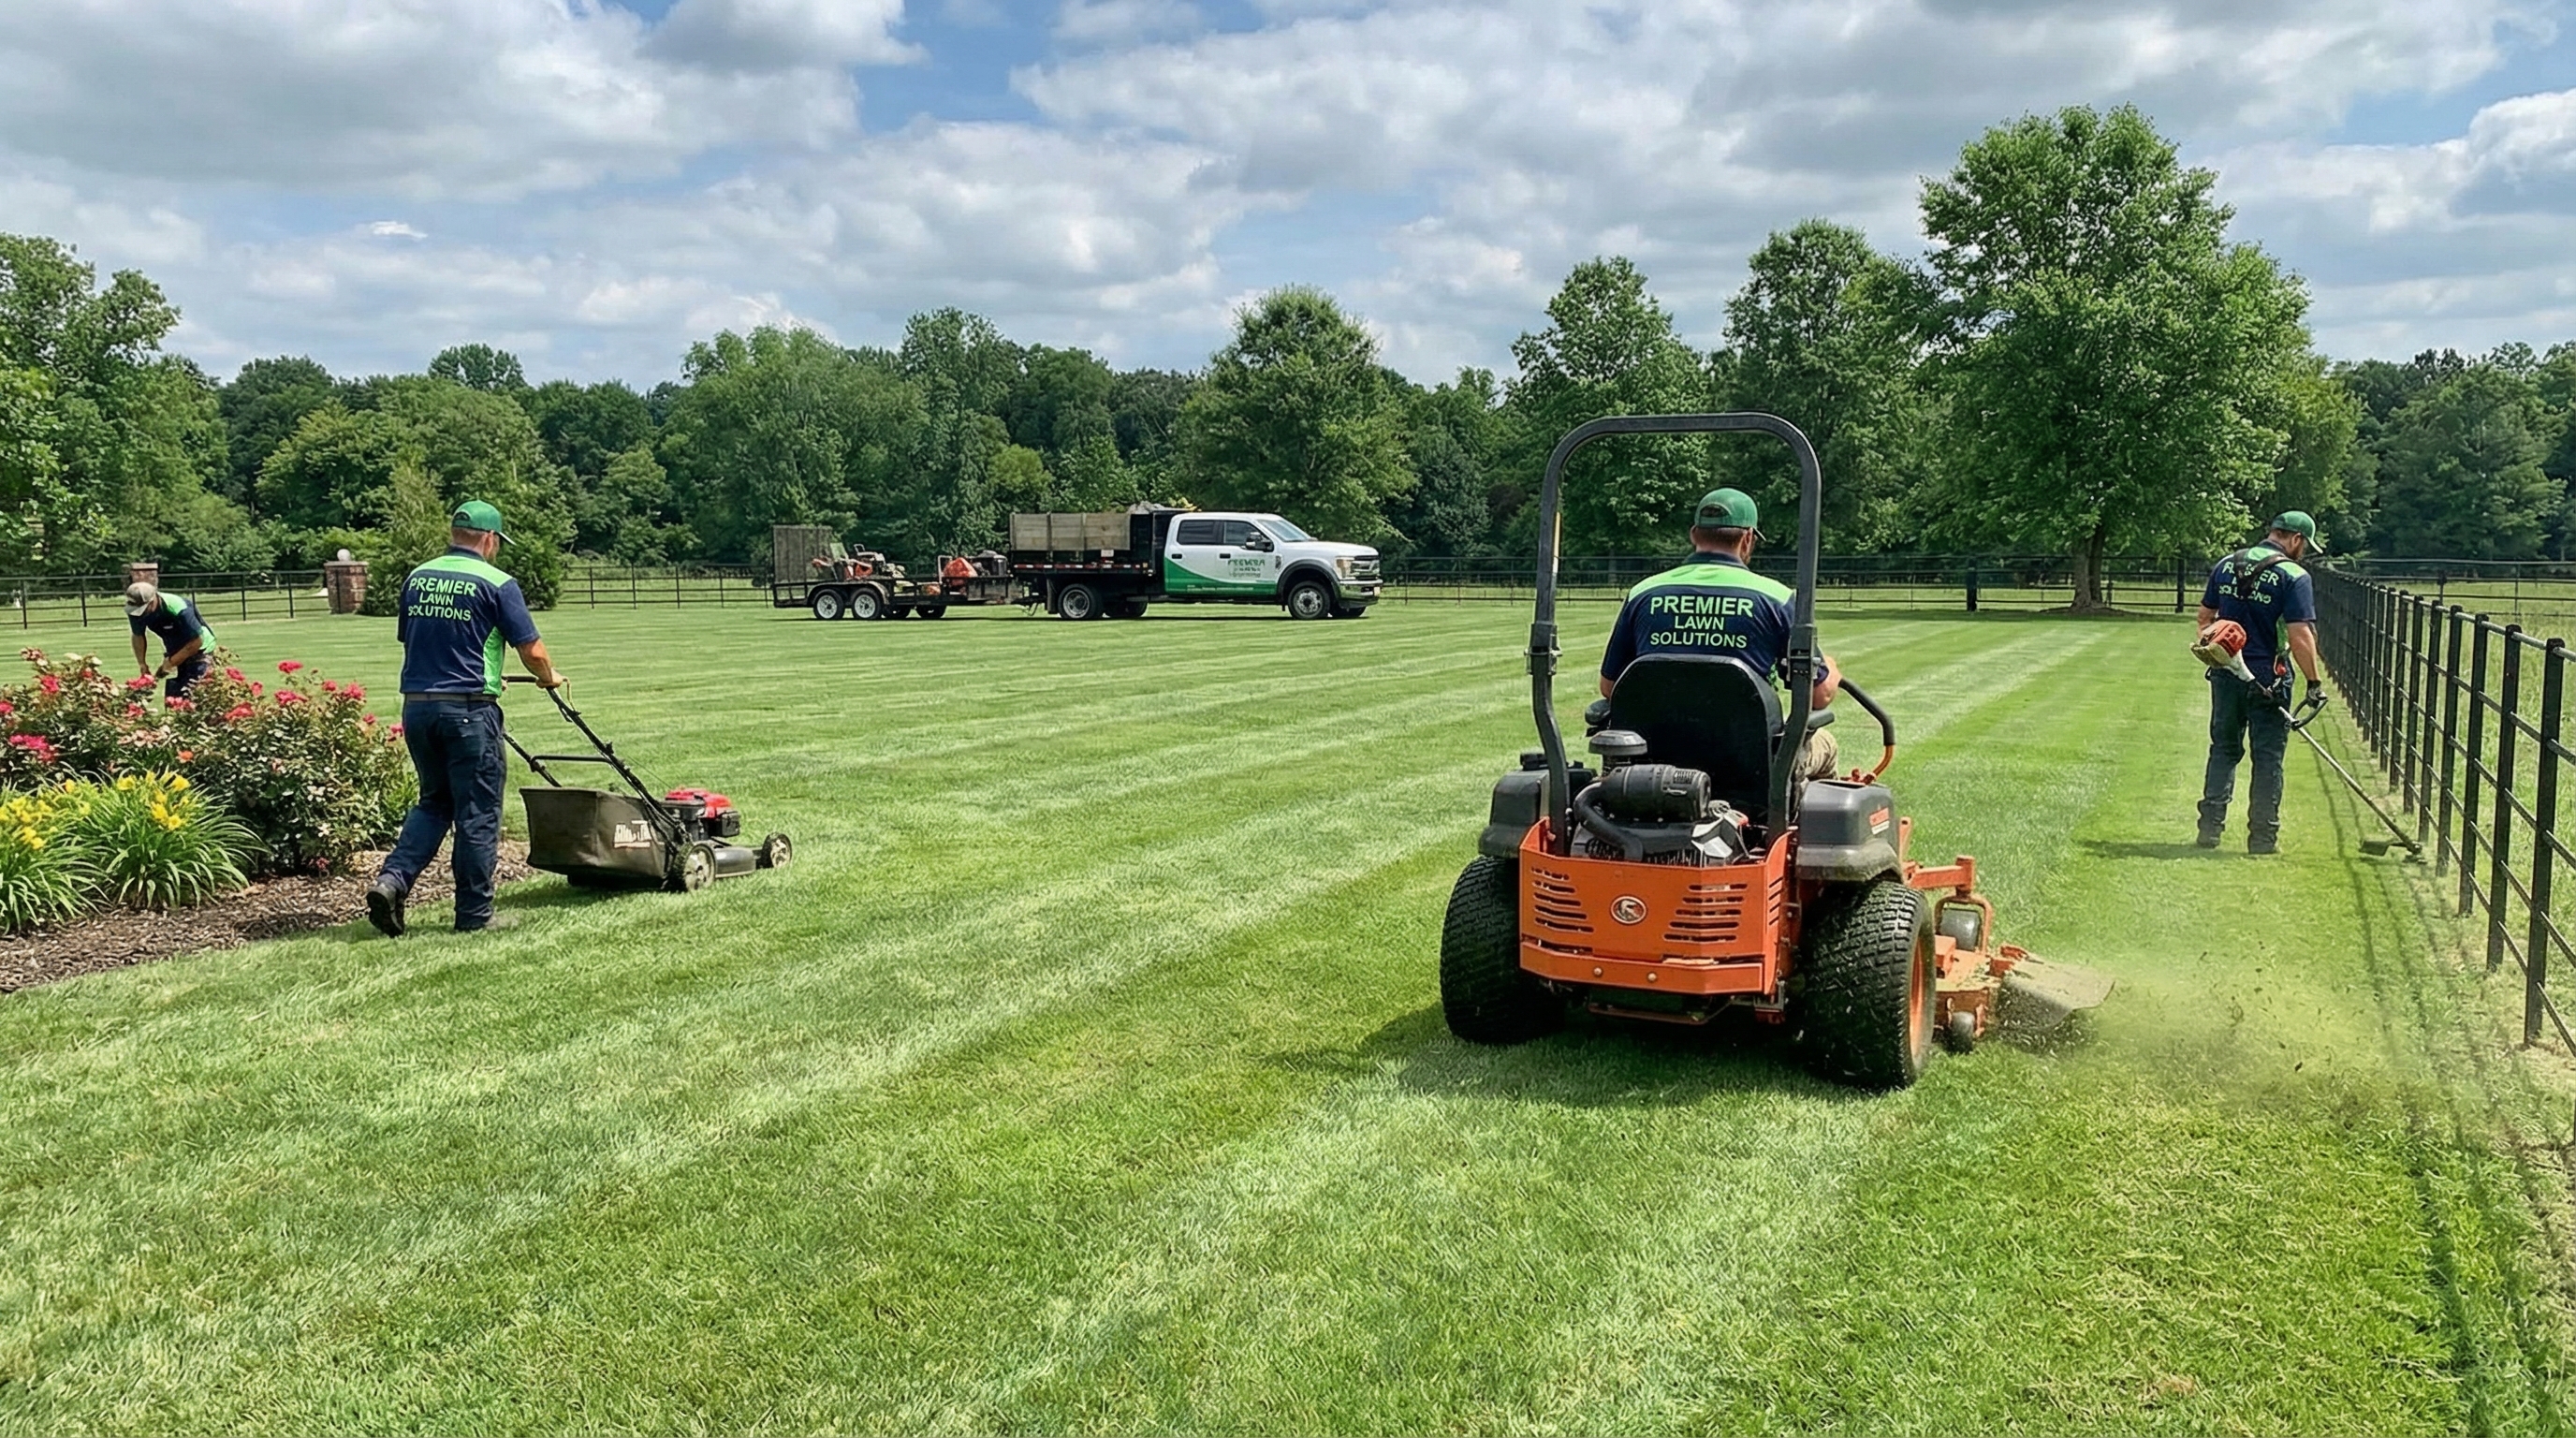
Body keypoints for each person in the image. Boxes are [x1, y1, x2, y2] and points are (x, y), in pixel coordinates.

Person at [367, 501, 565, 937]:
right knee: (477, 812)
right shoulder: (497, 583)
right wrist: (549, 677)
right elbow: (532, 651)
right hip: (469, 713)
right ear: (490, 539)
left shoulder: (418, 577)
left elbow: (423, 641)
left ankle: (392, 881)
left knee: (434, 802)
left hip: (418, 709)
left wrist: (488, 674)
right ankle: (475, 915)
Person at [1598, 488, 1843, 779]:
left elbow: (1610, 688)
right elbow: (1819, 695)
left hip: (1652, 760)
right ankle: (1795, 809)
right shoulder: (1777, 598)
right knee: (1826, 746)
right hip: (1750, 762)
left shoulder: (1643, 593)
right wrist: (1831, 670)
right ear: (1748, 538)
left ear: (1694, 534)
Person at [2196, 510, 2329, 855]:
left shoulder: (2226, 564)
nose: (2304, 551)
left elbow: (2205, 618)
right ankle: (2263, 840)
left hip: (2226, 672)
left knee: (2223, 750)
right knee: (2268, 758)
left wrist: (2218, 649)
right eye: (2305, 545)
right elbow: (2300, 635)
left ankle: (2209, 830)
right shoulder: (2294, 575)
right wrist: (2314, 682)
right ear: (2296, 539)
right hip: (2270, 677)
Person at [124, 581, 215, 698]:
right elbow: (138, 635)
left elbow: (197, 641)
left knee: (193, 692)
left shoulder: (178, 608)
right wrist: (142, 664)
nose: (139, 613)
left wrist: (171, 662)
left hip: (201, 648)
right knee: (175, 694)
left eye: (142, 609)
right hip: (176, 646)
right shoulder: (134, 610)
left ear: (153, 601)